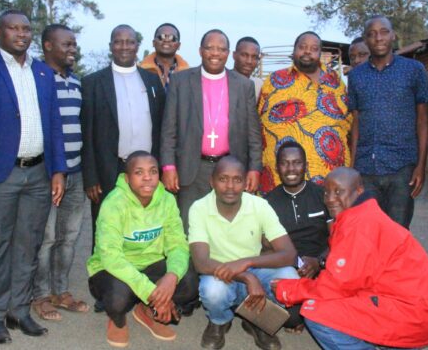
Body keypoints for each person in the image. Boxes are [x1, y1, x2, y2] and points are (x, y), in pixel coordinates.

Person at [0, 9, 67, 344]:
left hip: (38, 174)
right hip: (0, 175)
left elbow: (54, 125)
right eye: (13, 28)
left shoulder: (42, 72)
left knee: (29, 245)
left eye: (26, 28)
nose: (20, 34)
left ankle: (19, 310)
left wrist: (58, 171)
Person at [273, 167, 428, 350]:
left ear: (359, 191)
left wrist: (288, 290)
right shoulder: (362, 214)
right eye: (327, 192)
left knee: (315, 309)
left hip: (413, 315)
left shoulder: (359, 225)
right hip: (420, 308)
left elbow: (335, 287)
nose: (330, 199)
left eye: (338, 191)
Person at [87, 151, 199, 348]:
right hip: (112, 268)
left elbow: (177, 244)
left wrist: (171, 278)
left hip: (150, 263)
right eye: (139, 172)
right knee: (118, 299)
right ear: (127, 178)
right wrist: (154, 295)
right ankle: (118, 320)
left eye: (153, 171)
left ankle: (145, 311)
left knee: (189, 283)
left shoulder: (166, 200)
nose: (147, 177)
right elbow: (111, 257)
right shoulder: (113, 203)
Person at [189, 156, 301, 350]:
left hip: (253, 268)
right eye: (223, 179)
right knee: (212, 292)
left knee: (290, 278)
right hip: (219, 272)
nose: (230, 186)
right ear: (212, 181)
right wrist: (247, 277)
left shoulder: (259, 206)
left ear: (245, 182)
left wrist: (247, 263)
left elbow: (289, 254)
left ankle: (257, 321)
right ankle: (219, 321)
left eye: (237, 179)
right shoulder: (199, 208)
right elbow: (201, 262)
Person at [160, 29, 262, 231]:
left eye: (221, 49)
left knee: (227, 229)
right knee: (190, 228)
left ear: (228, 53)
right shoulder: (181, 81)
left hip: (230, 168)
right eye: (210, 48)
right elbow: (168, 129)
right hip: (192, 168)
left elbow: (253, 133)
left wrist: (254, 168)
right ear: (200, 51)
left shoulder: (243, 85)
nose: (215, 53)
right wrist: (168, 167)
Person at [81, 24, 167, 231]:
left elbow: (162, 126)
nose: (124, 47)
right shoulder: (93, 82)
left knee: (144, 227)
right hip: (109, 169)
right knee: (107, 228)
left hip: (146, 169)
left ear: (137, 46)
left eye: (130, 42)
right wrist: (91, 177)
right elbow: (87, 133)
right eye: (118, 42)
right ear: (111, 46)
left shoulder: (152, 80)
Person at [347, 15, 428, 228]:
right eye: (372, 34)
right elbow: (355, 123)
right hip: (366, 168)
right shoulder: (356, 76)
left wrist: (421, 166)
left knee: (397, 233)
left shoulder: (414, 70)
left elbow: (422, 120)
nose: (378, 38)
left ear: (393, 35)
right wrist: (353, 167)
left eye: (384, 32)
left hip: (402, 168)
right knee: (369, 231)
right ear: (366, 39)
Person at [31, 24, 89, 322]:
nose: (72, 49)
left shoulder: (77, 82)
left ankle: (60, 291)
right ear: (47, 46)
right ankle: (39, 295)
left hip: (76, 172)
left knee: (69, 236)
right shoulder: (36, 79)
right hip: (47, 172)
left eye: (74, 44)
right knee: (47, 237)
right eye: (66, 44)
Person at [258, 31, 352, 194]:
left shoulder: (335, 81)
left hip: (327, 177)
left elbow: (348, 121)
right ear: (294, 51)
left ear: (319, 54)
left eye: (314, 48)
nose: (308, 51)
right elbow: (258, 122)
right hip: (279, 177)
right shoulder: (274, 80)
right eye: (303, 47)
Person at [264, 142, 330, 280]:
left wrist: (319, 262)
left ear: (306, 166)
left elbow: (339, 237)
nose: (291, 169)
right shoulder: (267, 203)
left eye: (297, 162)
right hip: (287, 269)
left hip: (326, 265)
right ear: (276, 168)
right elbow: (266, 247)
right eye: (284, 163)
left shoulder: (323, 195)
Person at [139, 23, 189, 90]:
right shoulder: (140, 72)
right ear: (153, 43)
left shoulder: (188, 75)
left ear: (178, 45)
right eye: (161, 37)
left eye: (172, 38)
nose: (166, 40)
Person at [232, 36, 263, 102]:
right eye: (244, 55)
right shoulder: (222, 82)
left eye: (254, 57)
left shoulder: (259, 86)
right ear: (234, 55)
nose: (249, 61)